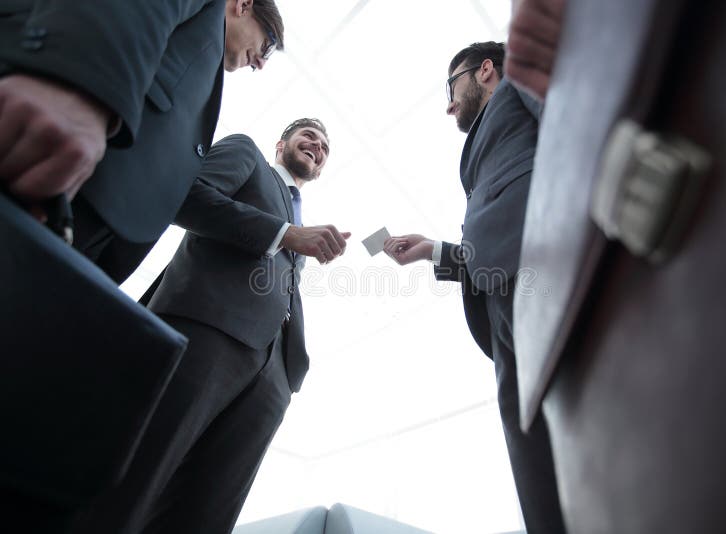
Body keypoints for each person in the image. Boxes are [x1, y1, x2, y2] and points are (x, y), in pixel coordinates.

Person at [73, 119, 349, 533]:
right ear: (281, 143)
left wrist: (289, 370)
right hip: (206, 331)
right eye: (309, 136)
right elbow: (185, 197)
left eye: (325, 145)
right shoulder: (247, 154)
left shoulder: (300, 221)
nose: (318, 145)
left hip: (274, 375)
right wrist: (283, 233)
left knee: (206, 514)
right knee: (138, 475)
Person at [383, 42, 565, 533]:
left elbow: (569, 128)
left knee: (572, 416)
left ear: (485, 70)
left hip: (543, 261)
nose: (449, 104)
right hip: (496, 296)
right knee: (531, 446)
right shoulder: (479, 148)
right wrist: (431, 250)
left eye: (451, 87)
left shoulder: (521, 81)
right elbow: (489, 229)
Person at [0, 0, 285, 283]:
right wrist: (81, 87)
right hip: (65, 173)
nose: (260, 63)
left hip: (93, 224)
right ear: (244, 5)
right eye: (267, 46)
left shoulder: (205, 58)